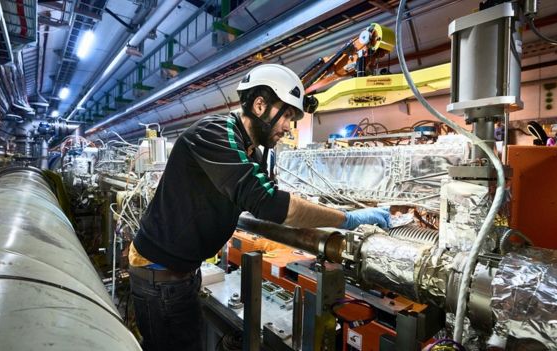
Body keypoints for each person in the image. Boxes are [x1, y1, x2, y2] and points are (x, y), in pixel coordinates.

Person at [128, 64, 391, 351]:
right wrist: (347, 219)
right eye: (287, 115)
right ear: (260, 105)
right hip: (160, 277)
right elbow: (271, 205)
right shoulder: (216, 132)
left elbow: (266, 198)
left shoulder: (253, 151)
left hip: (181, 274)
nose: (289, 127)